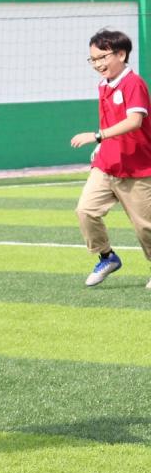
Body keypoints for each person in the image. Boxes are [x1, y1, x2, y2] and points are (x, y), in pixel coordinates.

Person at [70, 29, 151, 288]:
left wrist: (97, 136)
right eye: (93, 59)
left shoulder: (133, 83)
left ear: (121, 54)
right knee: (85, 211)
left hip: (138, 167)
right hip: (107, 165)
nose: (97, 64)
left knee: (145, 227)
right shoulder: (104, 85)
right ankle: (107, 257)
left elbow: (134, 121)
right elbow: (109, 121)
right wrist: (102, 145)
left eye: (102, 57)